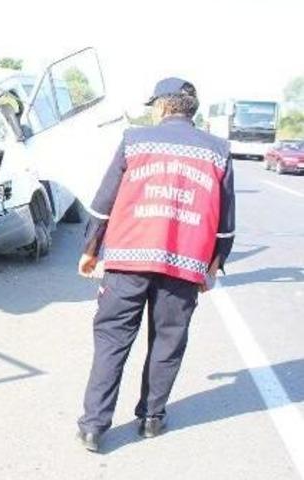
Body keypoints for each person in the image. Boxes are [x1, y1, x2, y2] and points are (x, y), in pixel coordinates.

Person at [75, 78, 236, 452]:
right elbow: (225, 221)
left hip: (128, 259)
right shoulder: (218, 151)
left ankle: (93, 427)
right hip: (183, 264)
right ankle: (151, 419)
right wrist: (215, 264)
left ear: (163, 107)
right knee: (168, 341)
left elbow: (104, 201)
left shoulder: (136, 140)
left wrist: (90, 248)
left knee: (112, 340)